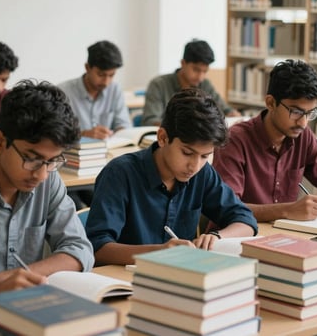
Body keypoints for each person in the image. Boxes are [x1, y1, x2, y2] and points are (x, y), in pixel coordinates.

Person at [0, 79, 94, 304]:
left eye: (52, 161)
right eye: (31, 159)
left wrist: (13, 278)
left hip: (27, 312)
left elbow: (79, 249)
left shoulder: (48, 182)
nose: (41, 175)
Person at [86, 88, 257, 266]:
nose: (195, 165)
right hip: (124, 280)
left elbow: (245, 219)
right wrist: (159, 253)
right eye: (186, 152)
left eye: (205, 156)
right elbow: (97, 248)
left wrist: (216, 237)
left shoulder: (203, 173)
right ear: (162, 138)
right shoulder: (120, 174)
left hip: (178, 279)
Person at [213, 59, 317, 223]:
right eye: (295, 112)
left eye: (310, 113)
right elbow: (229, 208)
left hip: (281, 236)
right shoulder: (235, 141)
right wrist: (288, 210)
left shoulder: (303, 137)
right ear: (271, 103)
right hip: (236, 237)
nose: (303, 123)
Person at [141, 39, 240, 126]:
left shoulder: (205, 85)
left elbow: (224, 109)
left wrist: (232, 114)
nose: (200, 77)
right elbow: (150, 121)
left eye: (205, 71)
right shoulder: (159, 85)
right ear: (183, 63)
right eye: (196, 70)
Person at [59, 40, 131, 140]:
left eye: (111, 75)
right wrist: (82, 134)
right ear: (87, 67)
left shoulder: (115, 90)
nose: (106, 82)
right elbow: (55, 134)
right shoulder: (63, 93)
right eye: (101, 74)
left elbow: (123, 125)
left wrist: (121, 132)